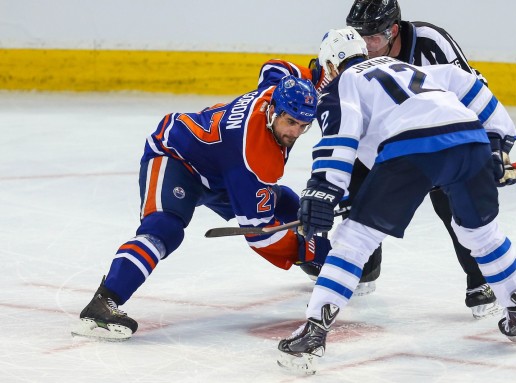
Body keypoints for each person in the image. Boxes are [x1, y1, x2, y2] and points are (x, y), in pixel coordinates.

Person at [277, 27, 516, 374]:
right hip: (470, 137)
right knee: (482, 234)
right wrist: (497, 142)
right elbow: (466, 83)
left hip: (411, 149)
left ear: (330, 65)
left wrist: (322, 190)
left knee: (355, 240)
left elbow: (340, 142)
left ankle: (312, 333)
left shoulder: (339, 86)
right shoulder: (412, 68)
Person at [72, 60, 335, 341]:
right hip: (175, 157)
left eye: (303, 125)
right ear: (273, 111)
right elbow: (260, 236)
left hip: (219, 169)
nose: (294, 132)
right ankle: (103, 302)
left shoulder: (272, 91)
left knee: (285, 203)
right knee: (164, 229)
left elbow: (275, 68)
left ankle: (317, 254)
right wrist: (299, 250)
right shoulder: (255, 157)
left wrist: (316, 75)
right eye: (290, 122)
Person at [341, 0, 501, 318]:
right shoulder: (352, 50)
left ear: (394, 30)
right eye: (359, 35)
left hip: (438, 134)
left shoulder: (430, 41)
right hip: (385, 140)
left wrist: (490, 144)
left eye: (372, 36)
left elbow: (470, 88)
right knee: (358, 191)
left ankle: (481, 280)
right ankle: (366, 267)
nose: (365, 45)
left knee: (452, 203)